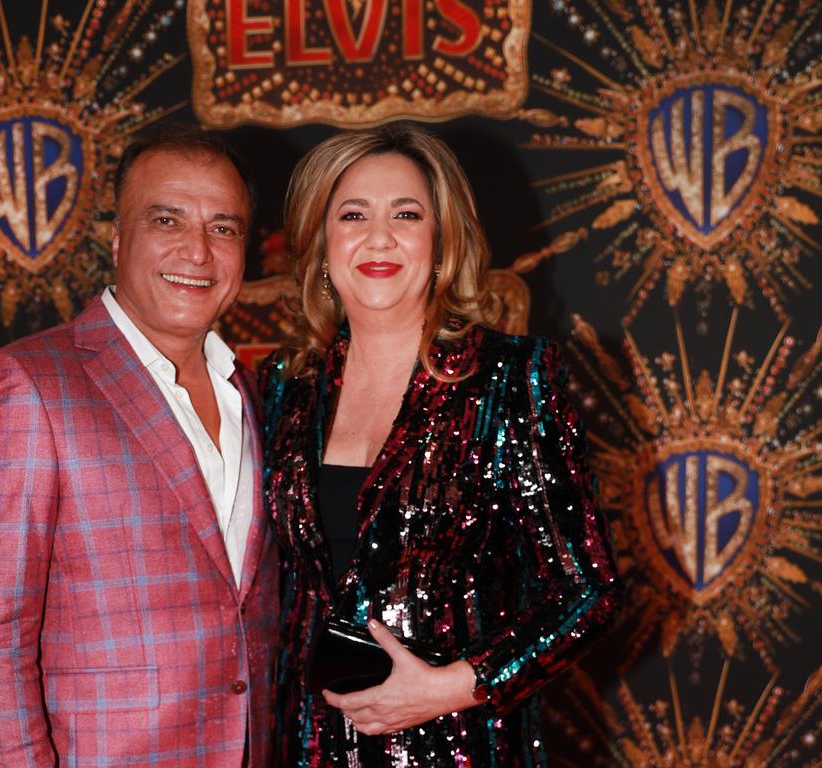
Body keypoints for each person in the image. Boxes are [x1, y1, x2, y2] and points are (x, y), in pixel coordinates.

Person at [260, 123, 622, 766]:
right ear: (320, 245)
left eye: (406, 214)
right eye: (352, 215)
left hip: (459, 746)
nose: (379, 238)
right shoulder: (285, 390)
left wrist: (452, 687)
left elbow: (588, 591)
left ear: (442, 239)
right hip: (308, 746)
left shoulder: (512, 379)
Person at [0, 126, 278, 768]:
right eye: (167, 219)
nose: (199, 251)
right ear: (118, 238)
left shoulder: (253, 393)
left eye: (224, 228)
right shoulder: (25, 384)